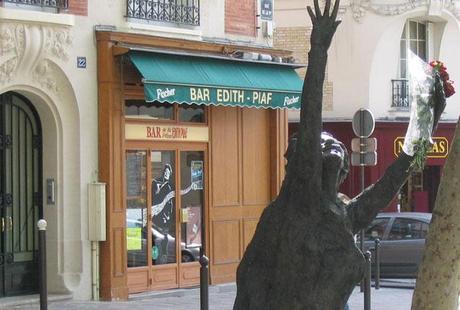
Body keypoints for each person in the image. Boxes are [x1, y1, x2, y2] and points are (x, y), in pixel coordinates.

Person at [234, 0, 447, 308]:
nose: (336, 158)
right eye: (329, 154)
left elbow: (388, 183)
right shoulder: (300, 200)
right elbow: (310, 121)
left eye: (339, 156)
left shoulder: (340, 212)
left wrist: (428, 122)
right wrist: (318, 51)